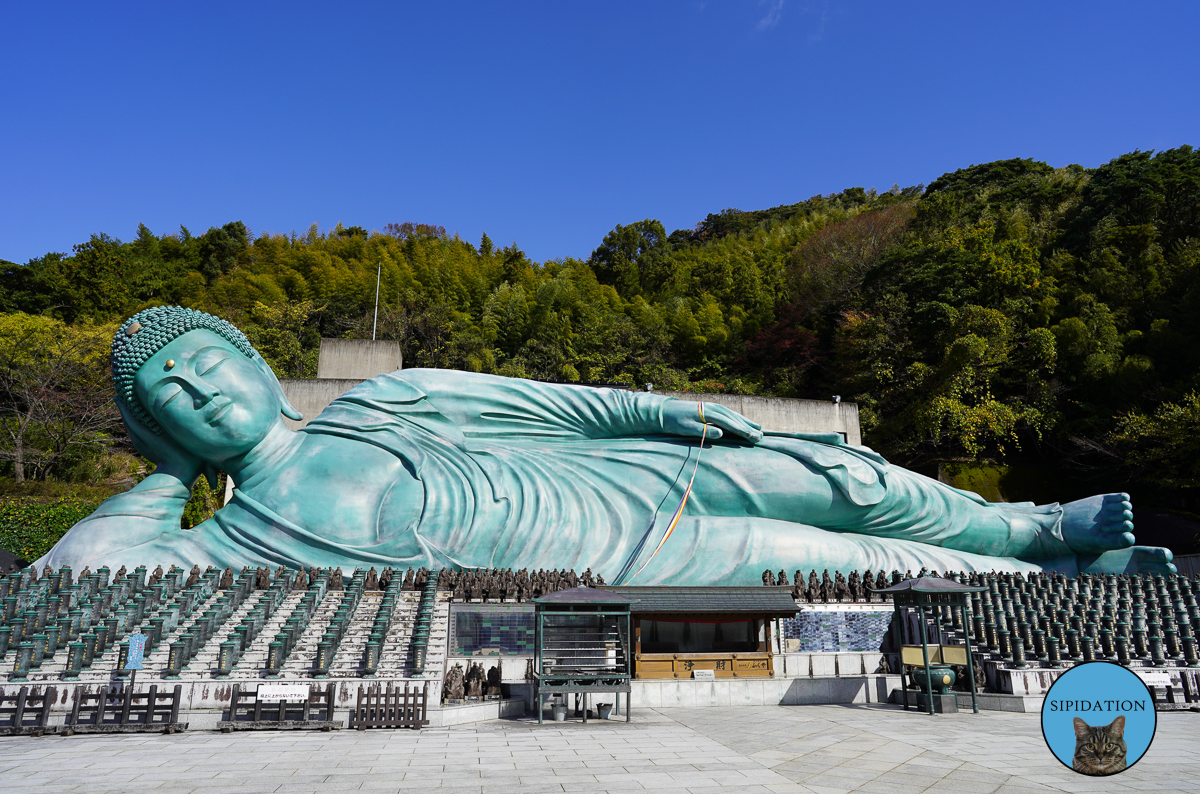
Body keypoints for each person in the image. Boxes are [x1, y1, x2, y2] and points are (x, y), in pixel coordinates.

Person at [36, 306, 1174, 583]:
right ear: (156, 427)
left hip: (616, 473)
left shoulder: (392, 399)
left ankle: (1031, 520)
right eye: (165, 394)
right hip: (620, 561)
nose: (197, 388)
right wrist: (174, 474)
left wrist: (659, 412)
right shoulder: (237, 535)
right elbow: (78, 570)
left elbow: (558, 402)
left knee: (832, 475)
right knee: (838, 557)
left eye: (204, 360)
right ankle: (1036, 569)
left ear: (249, 354)